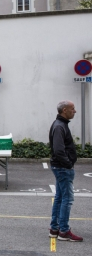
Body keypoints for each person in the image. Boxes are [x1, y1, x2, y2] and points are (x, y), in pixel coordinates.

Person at [49, 101, 81, 242]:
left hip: (61, 167)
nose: (75, 111)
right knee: (67, 199)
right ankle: (63, 231)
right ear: (64, 110)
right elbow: (59, 150)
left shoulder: (61, 125)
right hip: (63, 168)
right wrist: (68, 164)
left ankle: (55, 229)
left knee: (60, 198)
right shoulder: (59, 126)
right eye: (72, 109)